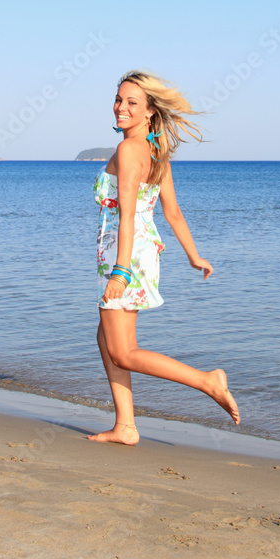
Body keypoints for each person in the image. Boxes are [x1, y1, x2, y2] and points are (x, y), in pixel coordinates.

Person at [87, 69, 240, 445]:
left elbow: (126, 213)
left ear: (150, 111)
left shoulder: (128, 151)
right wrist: (194, 255)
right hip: (140, 253)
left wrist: (120, 271)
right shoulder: (157, 153)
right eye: (119, 99)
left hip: (125, 256)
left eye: (131, 103)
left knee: (123, 351)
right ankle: (125, 425)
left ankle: (207, 381)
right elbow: (171, 212)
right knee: (106, 338)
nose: (121, 108)